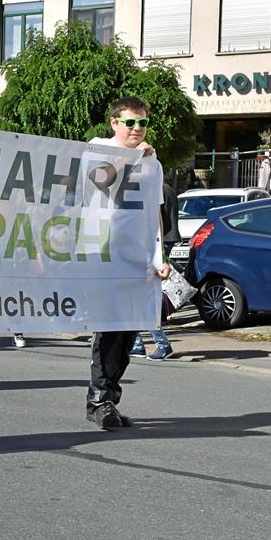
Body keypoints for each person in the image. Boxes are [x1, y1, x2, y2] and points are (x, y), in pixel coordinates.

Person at [85, 96, 172, 430]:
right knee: (109, 328)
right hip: (105, 255)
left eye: (143, 122)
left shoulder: (154, 163)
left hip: (138, 259)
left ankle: (106, 398)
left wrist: (159, 257)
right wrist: (132, 157)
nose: (138, 129)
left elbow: (155, 214)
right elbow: (99, 180)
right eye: (131, 122)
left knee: (127, 334)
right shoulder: (99, 147)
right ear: (115, 123)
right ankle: (99, 402)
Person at [131, 176, 179, 360]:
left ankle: (161, 344)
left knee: (143, 299)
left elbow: (157, 224)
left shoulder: (153, 195)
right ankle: (137, 344)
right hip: (150, 249)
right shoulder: (166, 190)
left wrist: (160, 258)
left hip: (151, 249)